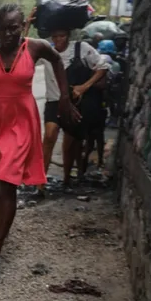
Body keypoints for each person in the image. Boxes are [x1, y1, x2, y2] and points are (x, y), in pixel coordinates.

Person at [0, 4, 77, 275]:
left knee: (7, 184)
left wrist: (64, 97)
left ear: (23, 25)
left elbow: (58, 61)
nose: (10, 33)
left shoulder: (35, 46)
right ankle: (3, 226)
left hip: (21, 123)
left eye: (15, 27)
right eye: (4, 28)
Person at [49, 29, 109, 187]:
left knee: (75, 140)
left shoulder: (82, 48)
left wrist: (84, 87)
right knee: (68, 140)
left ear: (68, 35)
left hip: (81, 103)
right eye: (55, 36)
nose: (58, 39)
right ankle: (68, 177)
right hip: (59, 101)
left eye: (61, 35)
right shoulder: (48, 52)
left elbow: (102, 67)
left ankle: (74, 175)